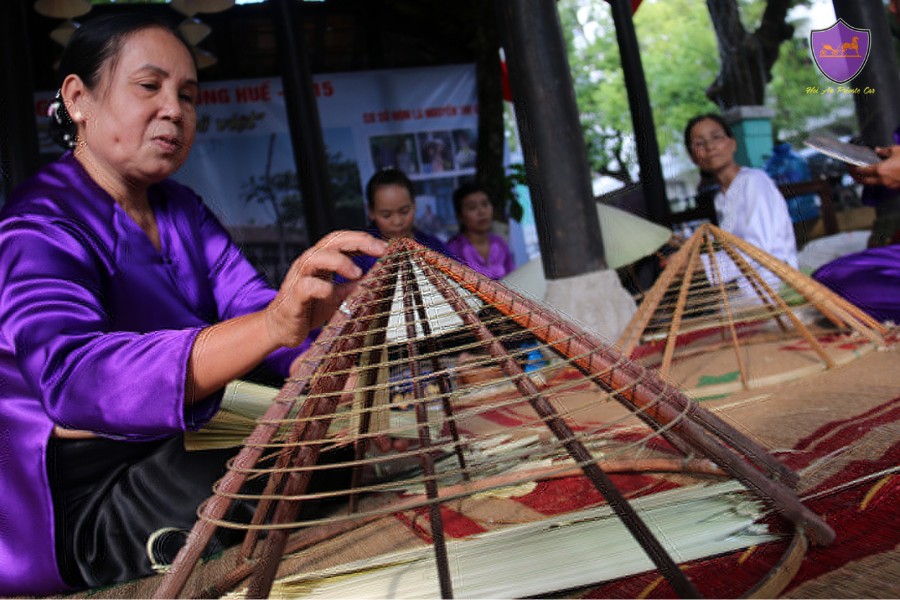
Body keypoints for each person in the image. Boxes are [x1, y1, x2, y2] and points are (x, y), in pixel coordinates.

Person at [0, 13, 386, 596]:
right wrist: (272, 326)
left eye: (187, 95)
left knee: (329, 438)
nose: (175, 110)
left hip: (177, 444)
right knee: (271, 462)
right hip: (80, 502)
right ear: (79, 98)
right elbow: (76, 381)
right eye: (149, 87)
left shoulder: (180, 208)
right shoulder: (36, 226)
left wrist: (321, 324)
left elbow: (259, 308)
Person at [684, 113, 798, 283]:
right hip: (749, 287)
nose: (710, 146)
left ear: (732, 143)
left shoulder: (755, 181)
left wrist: (698, 265)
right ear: (693, 157)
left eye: (716, 137)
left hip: (777, 284)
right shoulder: (720, 198)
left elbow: (758, 251)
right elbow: (733, 248)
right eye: (699, 143)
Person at [351, 167, 454, 274]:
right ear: (371, 212)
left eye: (404, 211)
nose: (397, 221)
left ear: (414, 205)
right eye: (386, 215)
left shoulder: (434, 247)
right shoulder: (360, 256)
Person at [446, 183, 515, 280]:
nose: (482, 212)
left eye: (485, 204)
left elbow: (515, 279)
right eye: (472, 207)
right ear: (460, 216)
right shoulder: (452, 249)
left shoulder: (499, 243)